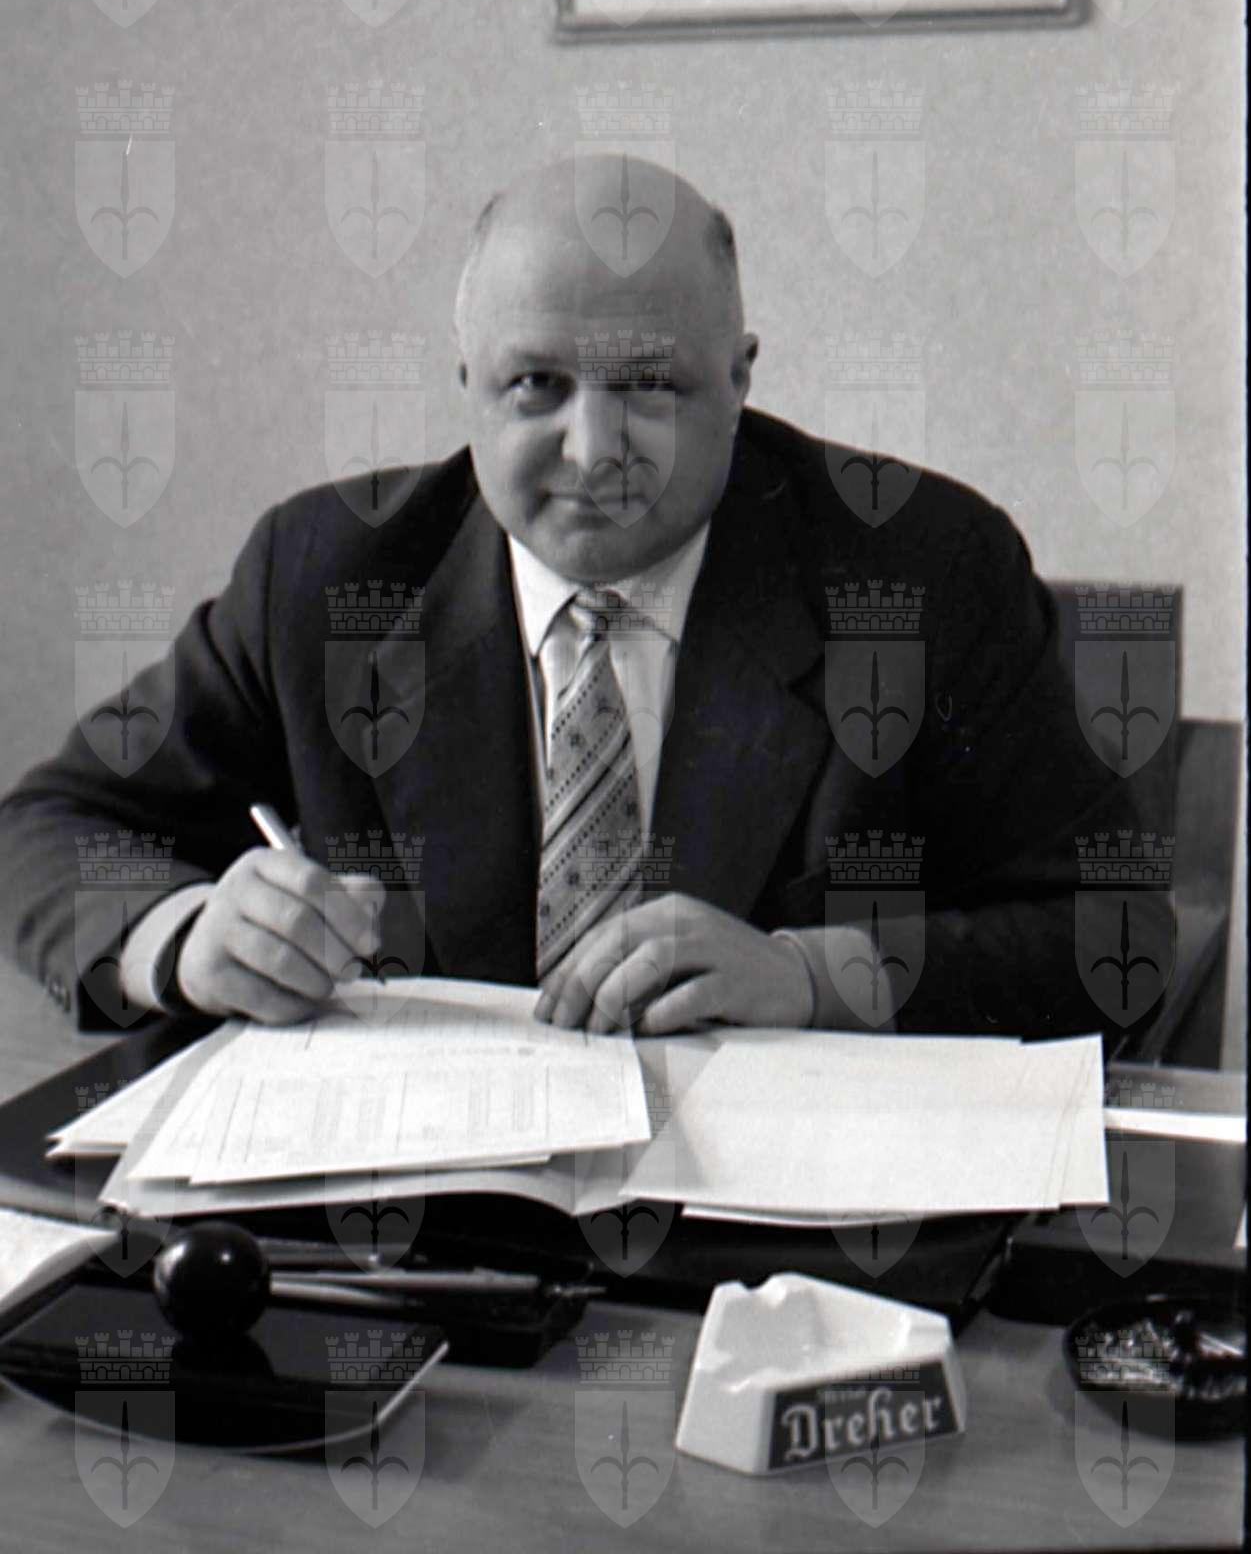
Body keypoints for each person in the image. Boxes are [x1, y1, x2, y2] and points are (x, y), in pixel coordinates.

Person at [0, 155, 1160, 1041]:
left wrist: (813, 975)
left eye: (650, 383)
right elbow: (45, 828)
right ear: (467, 380)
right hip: (423, 1229)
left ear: (740, 378)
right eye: (536, 385)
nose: (593, 447)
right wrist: (181, 937)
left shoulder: (922, 570)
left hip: (777, 1243)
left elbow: (1116, 934)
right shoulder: (325, 575)